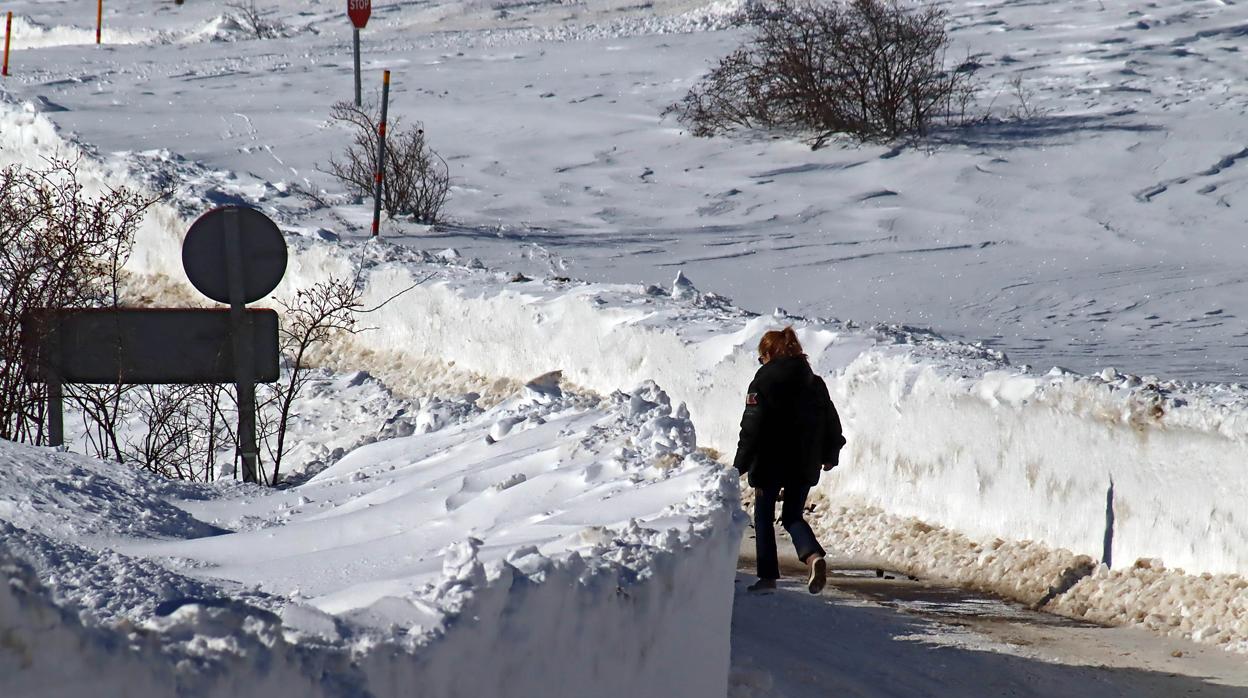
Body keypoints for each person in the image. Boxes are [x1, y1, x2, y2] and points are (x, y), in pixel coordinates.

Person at [734, 326, 845, 594]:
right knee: (793, 516)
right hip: (804, 461)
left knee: (762, 516)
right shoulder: (814, 382)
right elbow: (832, 421)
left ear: (770, 353)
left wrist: (739, 464)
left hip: (770, 460)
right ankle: (813, 557)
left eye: (762, 357)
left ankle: (768, 579)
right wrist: (830, 454)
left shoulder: (762, 381)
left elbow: (752, 426)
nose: (761, 362)